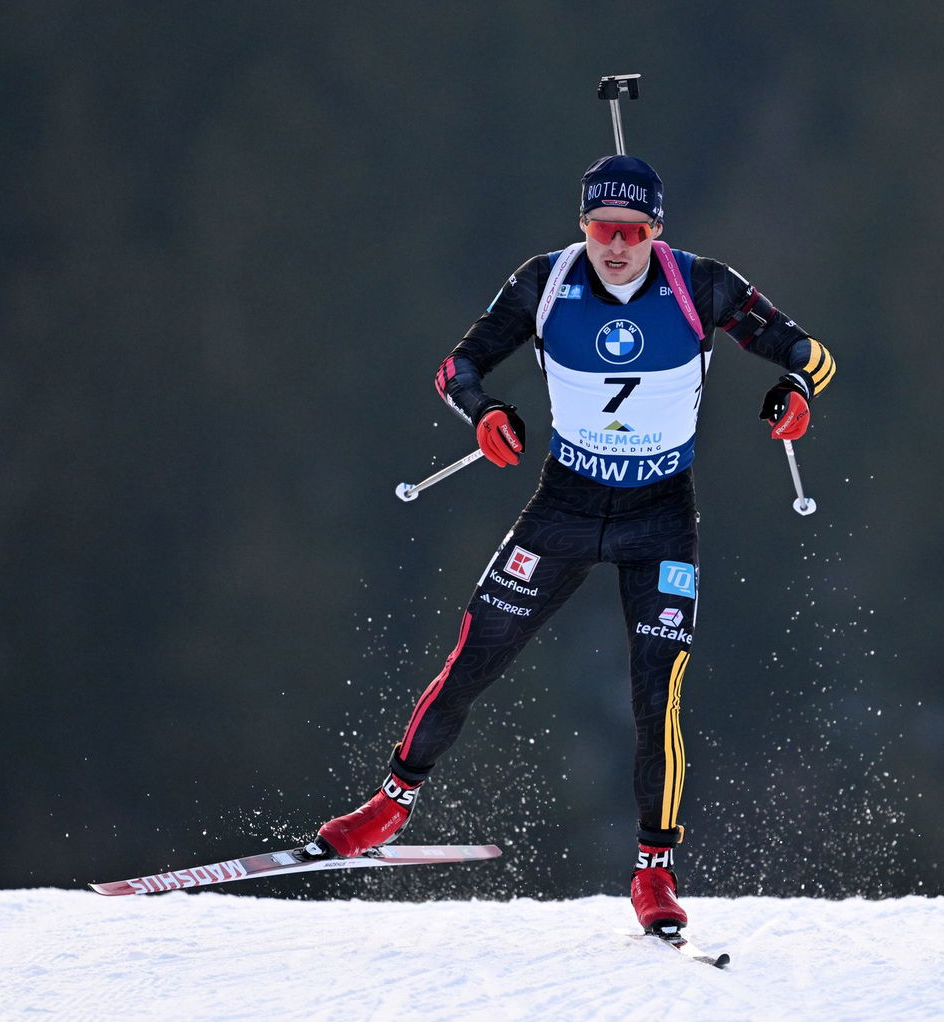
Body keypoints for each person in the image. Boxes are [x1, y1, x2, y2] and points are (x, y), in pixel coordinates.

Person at [309, 155, 835, 935]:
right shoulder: (546, 282)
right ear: (581, 226)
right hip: (567, 501)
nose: (615, 247)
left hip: (660, 514)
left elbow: (810, 354)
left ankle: (653, 872)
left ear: (656, 231)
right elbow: (459, 366)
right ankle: (390, 806)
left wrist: (795, 396)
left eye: (631, 232)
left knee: (659, 696)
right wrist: (485, 414)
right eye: (600, 230)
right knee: (476, 650)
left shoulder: (701, 284)